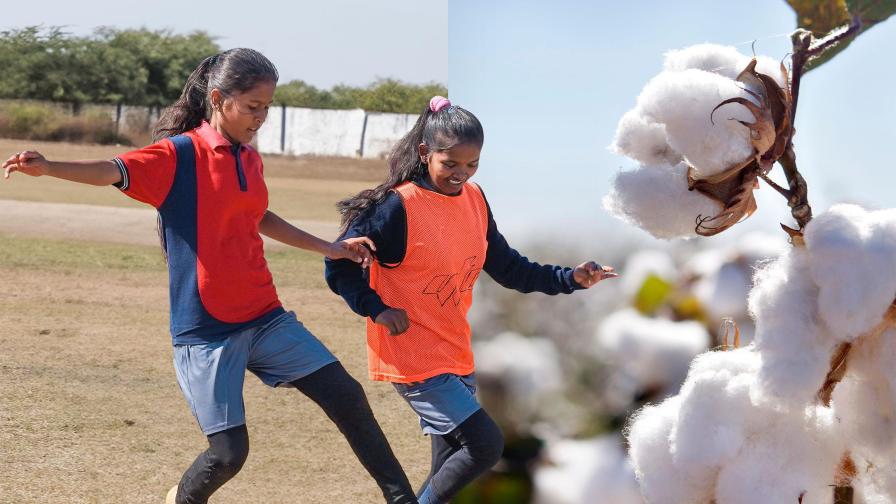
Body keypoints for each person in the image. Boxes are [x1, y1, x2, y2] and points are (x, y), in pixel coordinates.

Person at [3, 48, 417, 504]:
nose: (261, 118)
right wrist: (49, 167)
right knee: (227, 454)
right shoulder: (178, 156)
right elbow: (111, 170)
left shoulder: (248, 158)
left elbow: (258, 215)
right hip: (207, 330)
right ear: (218, 99)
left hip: (265, 316)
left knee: (348, 397)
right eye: (252, 107)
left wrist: (330, 247)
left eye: (267, 107)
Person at [325, 95, 618, 504]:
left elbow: (510, 268)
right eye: (451, 164)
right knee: (484, 446)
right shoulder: (398, 206)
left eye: (472, 164)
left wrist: (570, 278)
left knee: (447, 474)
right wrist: (377, 308)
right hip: (413, 356)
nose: (461, 174)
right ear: (426, 152)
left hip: (455, 353)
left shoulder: (475, 201)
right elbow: (338, 265)